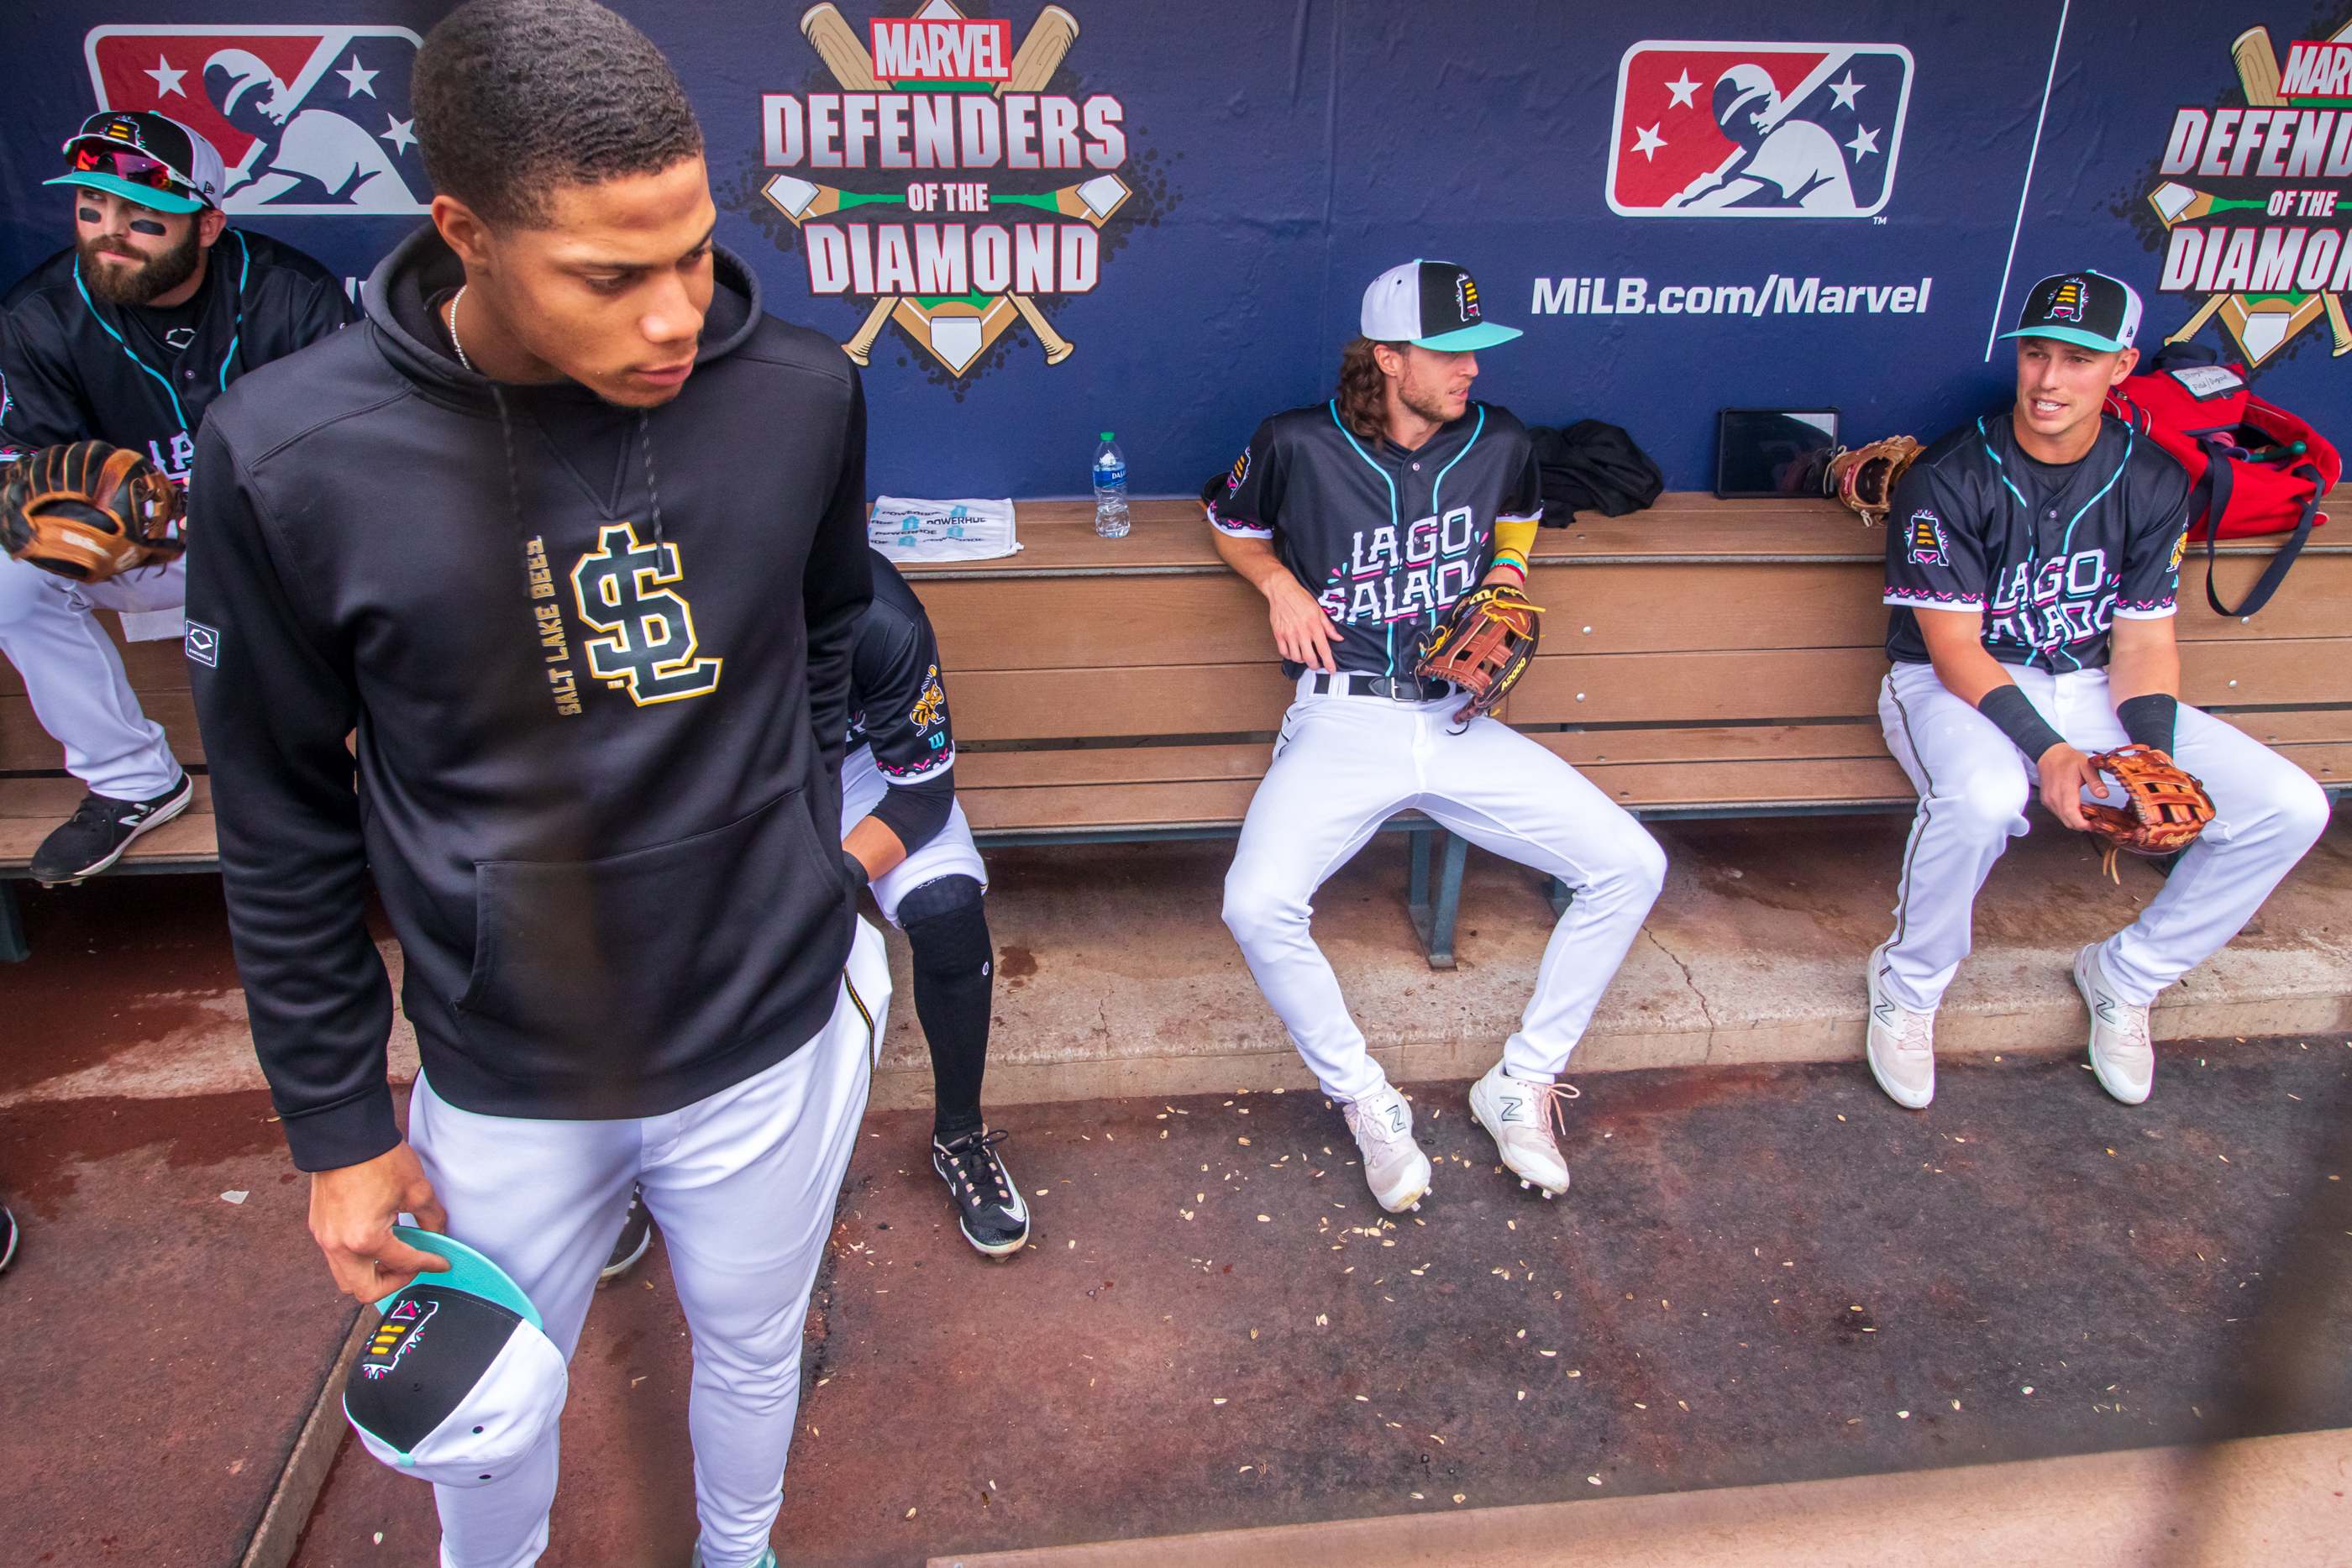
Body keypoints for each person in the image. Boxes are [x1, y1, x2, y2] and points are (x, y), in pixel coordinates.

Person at [185, 6, 877, 1567]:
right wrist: (336, 1124)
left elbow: (831, 629)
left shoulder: (799, 394)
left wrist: (792, 847)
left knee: (759, 1349)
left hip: (766, 1029)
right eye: (610, 275)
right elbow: (282, 815)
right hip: (506, 1072)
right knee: (483, 1420)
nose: (675, 315)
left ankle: (740, 1550)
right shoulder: (293, 455)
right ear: (465, 234)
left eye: (696, 251)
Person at [1210, 259, 1667, 1212]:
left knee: (1630, 865)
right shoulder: (1295, 441)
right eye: (1448, 351)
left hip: (1456, 716)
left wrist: (1507, 575)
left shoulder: (1495, 436)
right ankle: (1364, 1099)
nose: (1470, 369)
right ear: (1387, 358)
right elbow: (1229, 520)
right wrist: (1278, 583)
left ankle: (1522, 1080)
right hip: (1344, 712)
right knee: (1256, 905)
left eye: (1474, 349)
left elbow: (1519, 514)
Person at [1868, 269, 2329, 1109]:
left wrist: (2146, 742)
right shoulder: (1950, 475)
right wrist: (2050, 754)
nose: (2048, 381)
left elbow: (2145, 639)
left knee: (2288, 806)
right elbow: (1953, 648)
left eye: (2077, 360)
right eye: (2036, 354)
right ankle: (1909, 985)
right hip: (1950, 684)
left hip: (2086, 680)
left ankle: (2128, 974)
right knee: (1983, 796)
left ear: (2120, 367)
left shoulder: (2154, 478)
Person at [604, 548, 1021, 1274]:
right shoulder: (666, 601)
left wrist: (824, 879)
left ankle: (960, 1133)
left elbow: (921, 794)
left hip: (858, 772)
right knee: (641, 918)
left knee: (950, 912)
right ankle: (640, 1151)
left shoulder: (879, 612)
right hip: (723, 780)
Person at [0, 109, 354, 884]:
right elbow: (22, 467)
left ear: (207, 223)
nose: (108, 232)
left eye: (141, 215)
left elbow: (355, 459)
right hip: (141, 547)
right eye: (91, 210)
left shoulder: (292, 295)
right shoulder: (39, 317)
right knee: (9, 576)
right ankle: (133, 781)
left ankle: (363, 774)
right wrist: (68, 511)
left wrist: (220, 514)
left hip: (274, 541)